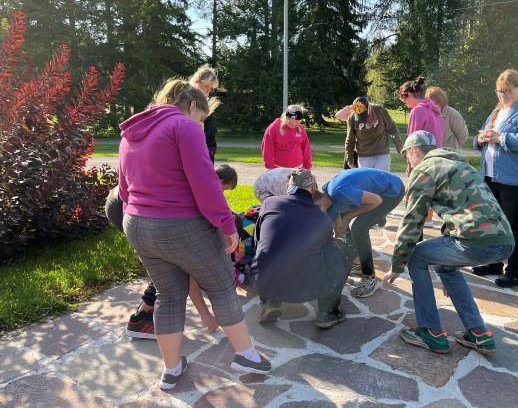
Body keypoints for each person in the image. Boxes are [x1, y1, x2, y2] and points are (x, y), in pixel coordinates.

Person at [119, 79, 270, 389]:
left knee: (168, 295)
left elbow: (124, 188)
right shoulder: (183, 126)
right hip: (180, 224)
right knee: (221, 285)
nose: (201, 125)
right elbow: (205, 183)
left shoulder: (132, 131)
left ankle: (171, 370)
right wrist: (227, 224)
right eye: (202, 117)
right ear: (191, 106)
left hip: (137, 224)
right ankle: (247, 355)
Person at [382, 131, 514, 355]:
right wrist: (449, 265)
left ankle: (430, 332)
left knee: (415, 255)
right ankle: (479, 334)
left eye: (407, 156)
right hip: (505, 242)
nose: (408, 162)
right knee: (445, 266)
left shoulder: (424, 169)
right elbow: (460, 211)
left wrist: (397, 265)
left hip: (475, 241)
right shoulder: (460, 165)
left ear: (414, 150)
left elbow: (412, 221)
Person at [105, 164, 239, 340]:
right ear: (219, 180)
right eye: (224, 189)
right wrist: (205, 315)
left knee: (169, 260)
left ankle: (144, 314)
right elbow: (190, 274)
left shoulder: (200, 182)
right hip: (127, 205)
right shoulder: (201, 197)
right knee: (168, 265)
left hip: (124, 198)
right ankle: (141, 318)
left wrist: (205, 315)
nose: (222, 194)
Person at [250, 169, 357, 327]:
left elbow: (259, 239)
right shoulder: (321, 218)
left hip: (263, 279)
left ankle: (270, 301)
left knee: (265, 241)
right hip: (303, 288)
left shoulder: (269, 203)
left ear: (287, 187)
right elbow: (325, 249)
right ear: (313, 190)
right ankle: (328, 312)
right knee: (342, 248)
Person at [471, 69, 518, 288]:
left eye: (507, 91)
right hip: (492, 177)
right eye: (499, 91)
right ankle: (494, 264)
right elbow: (480, 138)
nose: (502, 95)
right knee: (494, 224)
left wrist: (500, 137)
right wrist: (480, 139)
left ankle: (515, 273)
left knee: (515, 227)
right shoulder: (496, 112)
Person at [317, 168, 405, 298]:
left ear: (318, 203)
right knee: (342, 216)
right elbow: (337, 231)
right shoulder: (327, 197)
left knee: (359, 228)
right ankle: (357, 262)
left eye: (316, 211)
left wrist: (348, 218)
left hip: (391, 191)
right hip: (375, 190)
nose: (317, 215)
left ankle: (370, 279)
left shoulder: (340, 192)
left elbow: (377, 201)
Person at [398, 76, 444, 228]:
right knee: (429, 192)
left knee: (416, 194)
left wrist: (409, 164)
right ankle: (428, 221)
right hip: (435, 156)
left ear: (410, 95)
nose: (405, 103)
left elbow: (413, 140)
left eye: (405, 100)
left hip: (420, 159)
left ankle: (415, 225)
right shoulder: (435, 109)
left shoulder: (417, 111)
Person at [345, 96, 403, 172]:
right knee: (366, 178)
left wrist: (399, 146)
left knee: (381, 178)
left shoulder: (380, 111)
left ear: (368, 107)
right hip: (364, 156)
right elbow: (350, 140)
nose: (363, 118)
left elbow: (392, 128)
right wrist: (350, 159)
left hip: (382, 154)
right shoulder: (352, 118)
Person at [261, 104, 312, 170]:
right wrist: (270, 166)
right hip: (278, 169)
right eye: (295, 121)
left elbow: (306, 149)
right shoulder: (274, 128)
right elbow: (267, 148)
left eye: (299, 121)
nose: (298, 124)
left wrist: (307, 166)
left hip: (298, 168)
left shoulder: (300, 129)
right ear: (287, 118)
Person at [189, 64, 221, 161]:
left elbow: (209, 128)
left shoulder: (205, 101)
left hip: (208, 148)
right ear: (197, 81)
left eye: (211, 87)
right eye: (206, 86)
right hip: (193, 147)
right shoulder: (186, 100)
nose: (209, 90)